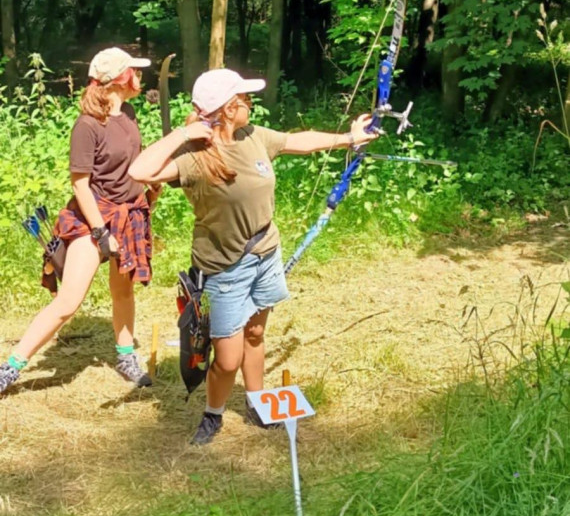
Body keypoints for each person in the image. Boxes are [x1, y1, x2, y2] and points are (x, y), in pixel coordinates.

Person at [128, 68, 378, 445]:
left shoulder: (253, 135)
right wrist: (182, 134)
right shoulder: (195, 157)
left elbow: (298, 140)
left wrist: (348, 138)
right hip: (224, 268)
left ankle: (259, 404)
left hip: (265, 254)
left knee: (257, 333)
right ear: (228, 109)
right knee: (226, 360)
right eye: (243, 99)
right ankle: (213, 415)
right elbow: (139, 170)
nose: (249, 103)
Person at [0, 47, 158, 394]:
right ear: (119, 79)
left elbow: (131, 167)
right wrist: (101, 233)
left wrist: (149, 189)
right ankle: (10, 367)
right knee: (68, 302)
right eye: (134, 71)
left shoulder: (128, 114)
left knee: (123, 291)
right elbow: (80, 184)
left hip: (128, 214)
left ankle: (125, 355)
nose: (139, 76)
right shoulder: (87, 126)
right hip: (92, 219)